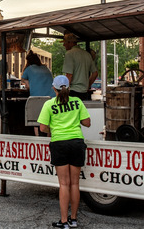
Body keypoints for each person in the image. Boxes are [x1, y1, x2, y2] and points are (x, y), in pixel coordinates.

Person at [38, 76, 91, 229]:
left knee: (63, 184)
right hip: (76, 142)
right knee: (75, 183)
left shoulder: (49, 104)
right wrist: (74, 120)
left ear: (54, 88)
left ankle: (63, 222)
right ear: (69, 88)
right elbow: (87, 123)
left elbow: (42, 128)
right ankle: (73, 219)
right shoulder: (77, 102)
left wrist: (53, 129)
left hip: (59, 143)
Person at [62, 33, 98, 100]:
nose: (63, 45)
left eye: (65, 43)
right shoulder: (87, 54)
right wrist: (87, 85)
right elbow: (95, 73)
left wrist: (64, 92)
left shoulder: (69, 54)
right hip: (84, 92)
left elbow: (69, 75)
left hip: (73, 92)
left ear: (70, 42)